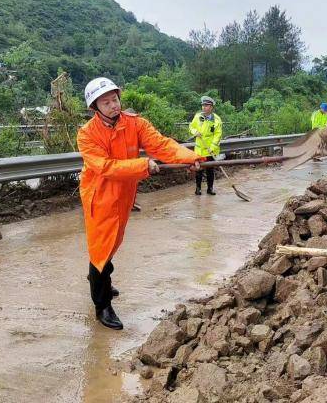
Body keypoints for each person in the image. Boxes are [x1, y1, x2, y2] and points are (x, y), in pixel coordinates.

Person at [77, 77, 201, 330]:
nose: (113, 105)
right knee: (101, 247)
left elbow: (161, 145)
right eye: (106, 102)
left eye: (115, 99)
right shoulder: (87, 135)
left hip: (124, 193)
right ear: (95, 107)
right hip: (99, 195)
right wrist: (143, 165)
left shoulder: (135, 124)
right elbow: (104, 167)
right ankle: (102, 305)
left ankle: (102, 281)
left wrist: (191, 157)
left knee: (114, 242)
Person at [189, 95, 222, 195]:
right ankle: (198, 188)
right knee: (198, 169)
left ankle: (210, 188)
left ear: (211, 107)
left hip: (210, 150)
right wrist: (195, 132)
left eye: (206, 105)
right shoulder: (198, 116)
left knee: (210, 170)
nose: (204, 107)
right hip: (199, 150)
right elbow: (191, 127)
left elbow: (218, 135)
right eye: (203, 105)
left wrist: (212, 148)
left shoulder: (216, 120)